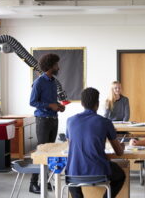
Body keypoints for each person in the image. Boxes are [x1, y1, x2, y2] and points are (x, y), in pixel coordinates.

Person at [66, 87, 126, 198]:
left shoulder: (70, 121)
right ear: (97, 104)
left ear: (82, 104)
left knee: (71, 177)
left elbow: (71, 147)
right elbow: (119, 153)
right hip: (99, 172)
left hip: (73, 173)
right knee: (120, 175)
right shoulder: (105, 122)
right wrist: (122, 146)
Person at [29, 53, 65, 194]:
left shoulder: (53, 81)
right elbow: (32, 102)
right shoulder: (39, 82)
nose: (58, 67)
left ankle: (45, 181)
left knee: (51, 152)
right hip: (43, 120)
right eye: (56, 64)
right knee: (42, 151)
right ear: (50, 66)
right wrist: (50, 106)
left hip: (53, 119)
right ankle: (33, 184)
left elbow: (51, 101)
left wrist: (58, 106)